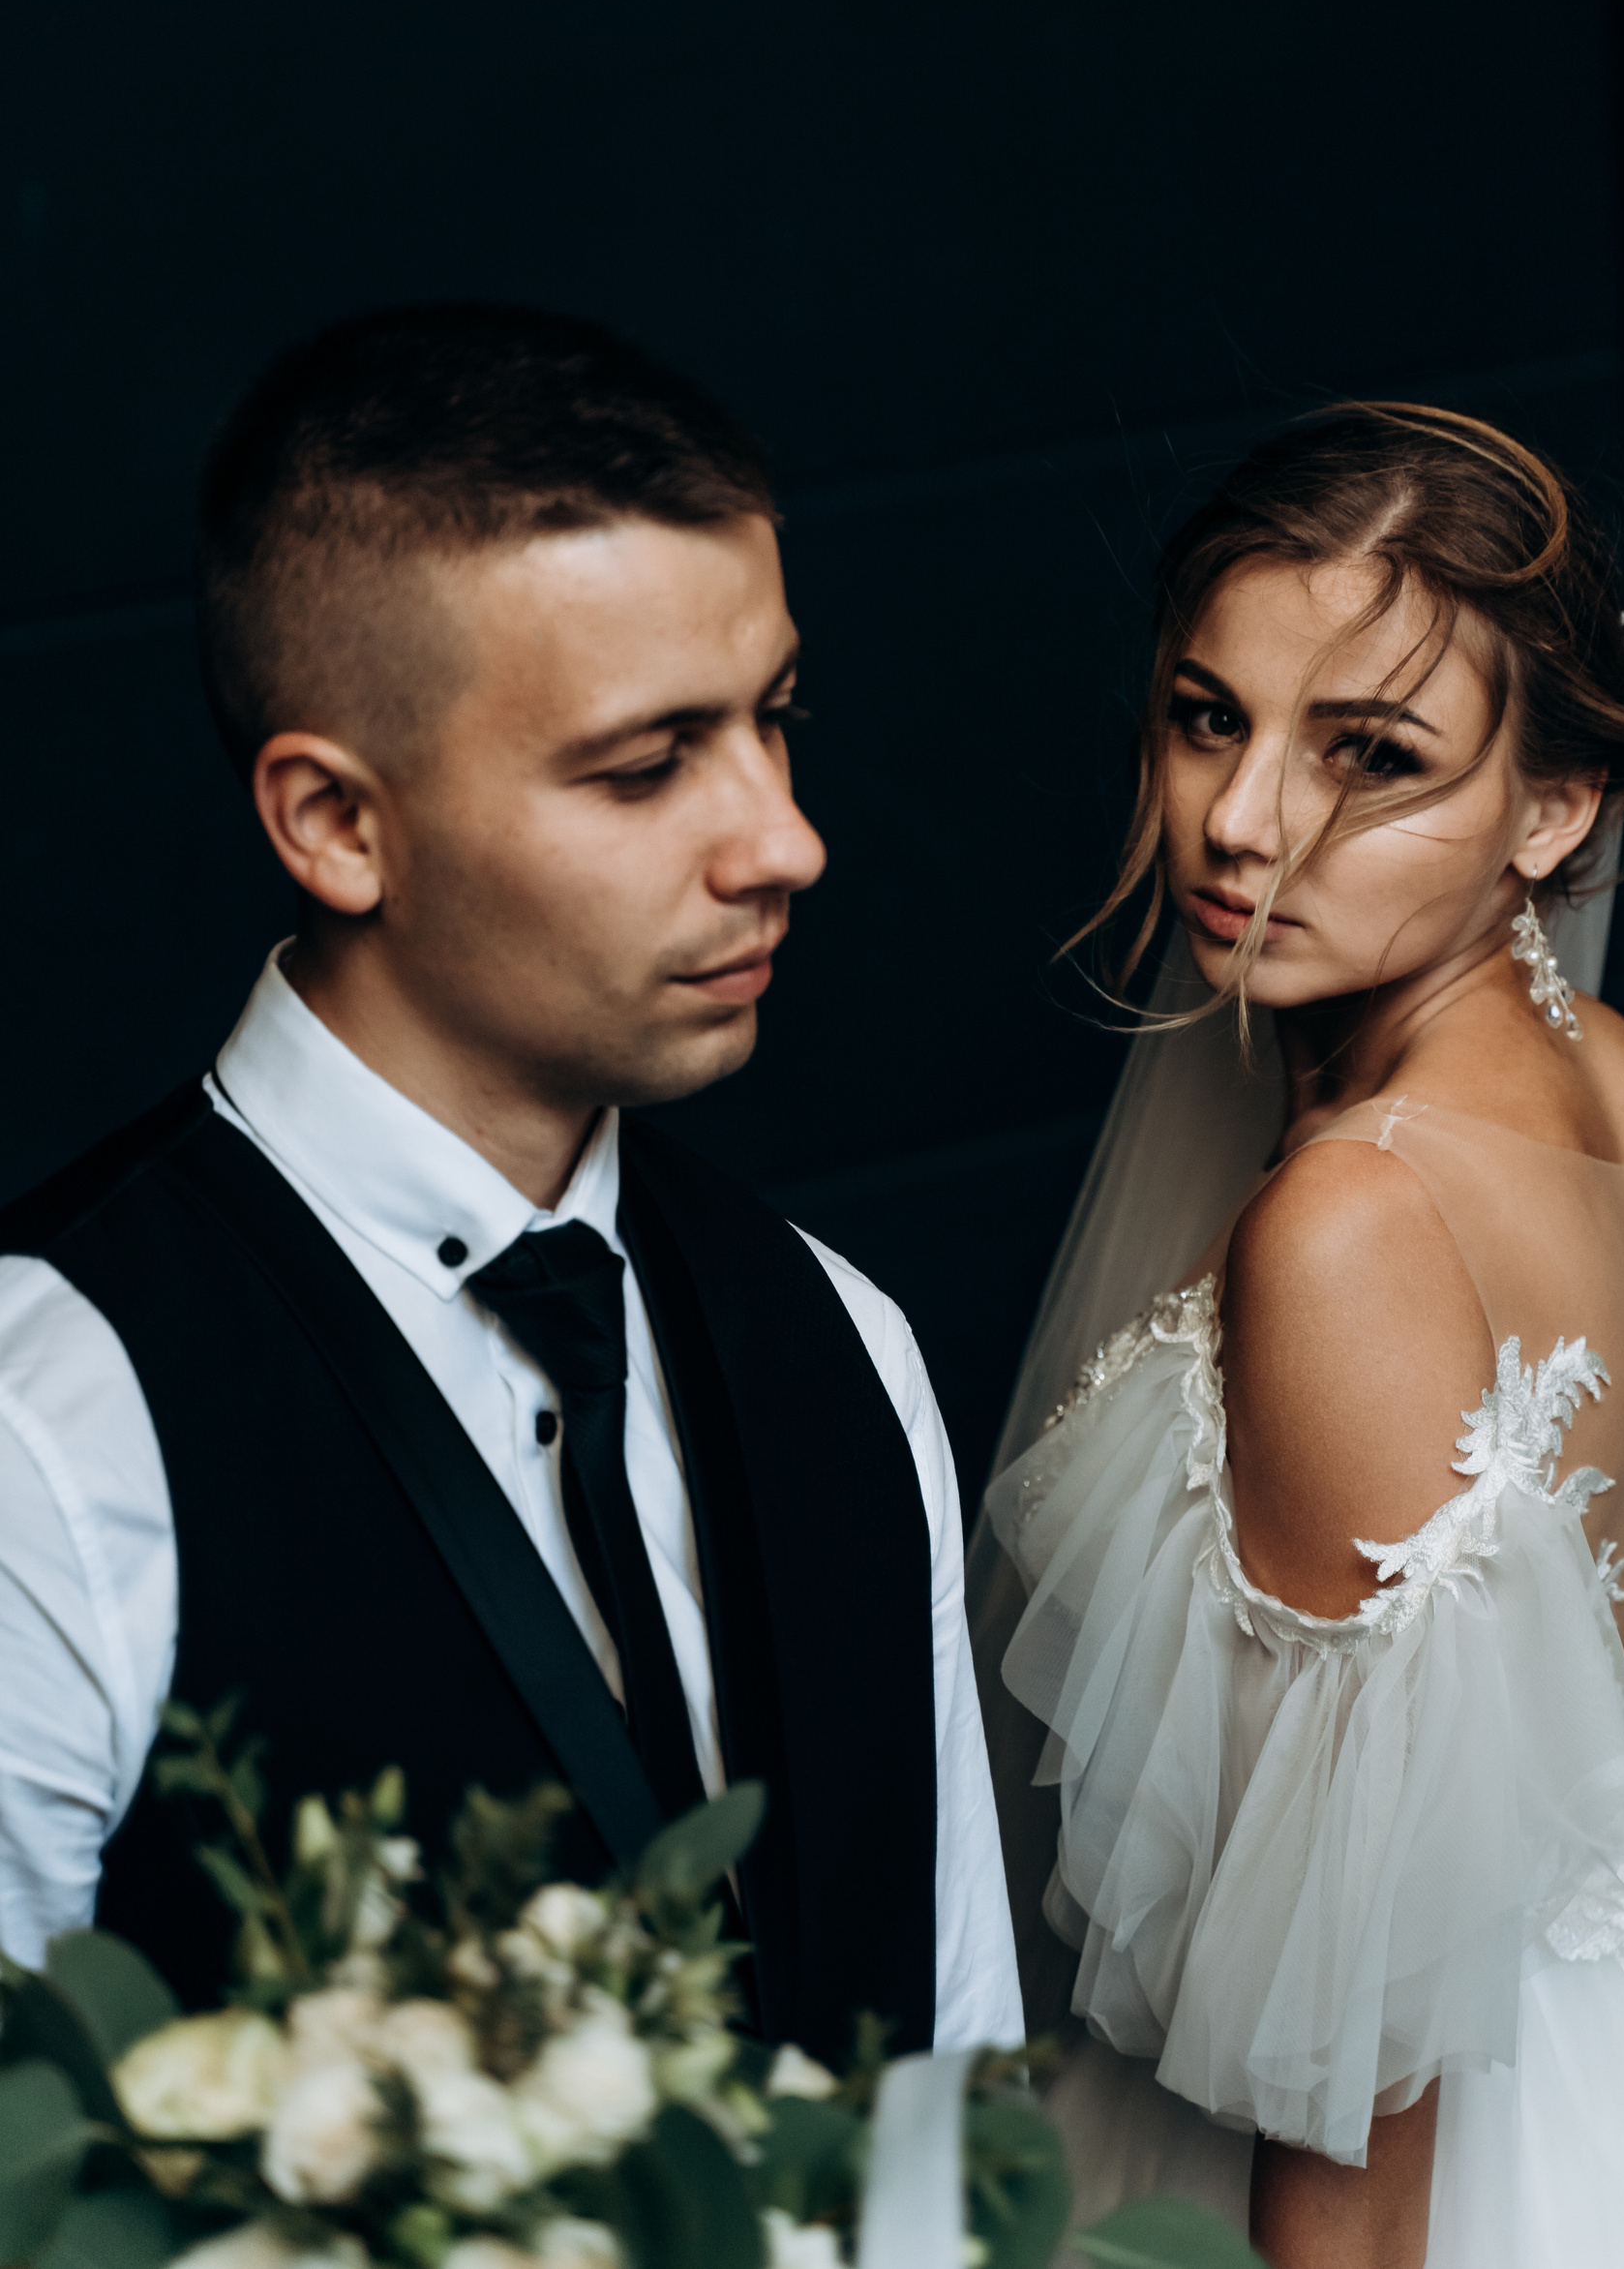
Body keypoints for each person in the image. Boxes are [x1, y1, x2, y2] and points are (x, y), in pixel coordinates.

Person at [0, 303, 1022, 2067]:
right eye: (647, 764)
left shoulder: (841, 1343)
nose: (785, 841)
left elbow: (954, 2099)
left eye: (776, 717)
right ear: (337, 824)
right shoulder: (51, 1432)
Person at [971, 405, 1624, 2264]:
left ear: (1557, 807)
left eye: (1370, 757)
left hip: (1463, 2153)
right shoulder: (1605, 1071)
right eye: (1208, 717)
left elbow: (1357, 2064)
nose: (1242, 821)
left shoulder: (1349, 1223)